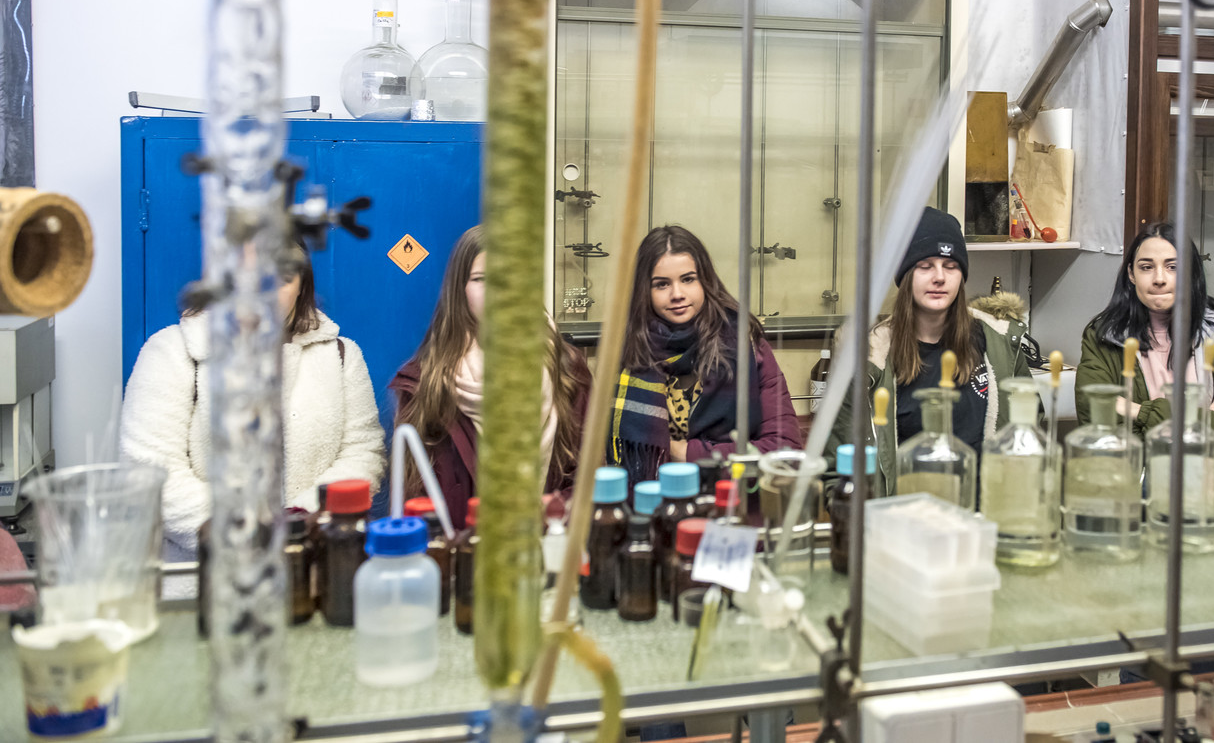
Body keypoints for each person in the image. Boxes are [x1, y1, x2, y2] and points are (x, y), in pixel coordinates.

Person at [120, 246, 385, 558]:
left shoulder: (341, 356)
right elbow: (149, 472)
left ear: (301, 286)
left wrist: (297, 526)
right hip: (205, 573)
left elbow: (363, 453)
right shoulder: (171, 352)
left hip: (315, 567)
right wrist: (249, 536)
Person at [389, 225, 590, 526]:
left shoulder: (567, 370)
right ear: (460, 290)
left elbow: (588, 479)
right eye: (482, 279)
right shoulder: (425, 381)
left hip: (546, 544)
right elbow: (415, 499)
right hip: (461, 546)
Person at [825, 207, 1033, 494]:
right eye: (925, 266)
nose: (939, 277)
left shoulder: (999, 343)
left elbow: (1028, 435)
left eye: (951, 266)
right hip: (905, 514)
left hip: (983, 513)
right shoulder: (869, 357)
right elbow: (838, 466)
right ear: (905, 275)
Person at [610, 224, 801, 484]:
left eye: (688, 279)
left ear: (705, 281)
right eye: (662, 284)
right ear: (645, 291)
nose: (677, 294)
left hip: (734, 498)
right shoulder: (629, 352)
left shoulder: (745, 344)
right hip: (655, 500)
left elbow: (785, 452)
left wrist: (687, 454)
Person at [1075, 221, 1214, 435]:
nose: (1159, 279)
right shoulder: (1105, 336)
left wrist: (1138, 412)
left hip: (1207, 459)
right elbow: (1098, 424)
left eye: (1173, 267)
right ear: (1131, 274)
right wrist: (1206, 418)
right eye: (1146, 267)